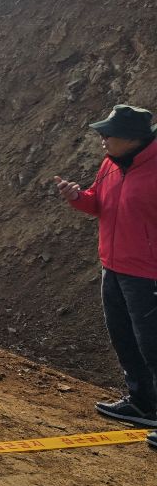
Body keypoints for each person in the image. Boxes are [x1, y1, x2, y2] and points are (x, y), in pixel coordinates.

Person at [54, 104, 157, 445]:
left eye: (108, 134)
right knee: (124, 337)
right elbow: (98, 203)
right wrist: (77, 197)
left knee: (153, 345)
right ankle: (142, 403)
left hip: (148, 274)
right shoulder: (110, 164)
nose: (102, 139)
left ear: (132, 138)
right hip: (113, 268)